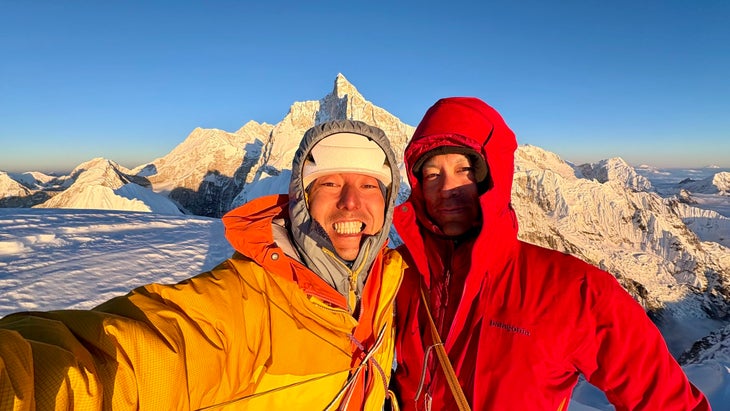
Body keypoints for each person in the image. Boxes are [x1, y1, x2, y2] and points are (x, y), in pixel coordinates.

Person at [0, 120, 405, 410]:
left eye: (369, 184)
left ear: (387, 204)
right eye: (331, 183)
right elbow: (124, 359)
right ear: (300, 200)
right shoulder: (242, 302)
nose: (351, 201)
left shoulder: (391, 283)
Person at [390, 97, 711, 410]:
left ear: (493, 179)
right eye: (432, 174)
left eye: (466, 170)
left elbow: (663, 399)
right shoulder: (394, 274)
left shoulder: (576, 291)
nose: (448, 188)